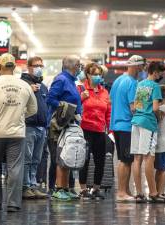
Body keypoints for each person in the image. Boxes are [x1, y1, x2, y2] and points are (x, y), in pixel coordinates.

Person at [0, 53, 37, 212]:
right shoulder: (24, 85)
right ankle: (13, 203)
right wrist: (20, 115)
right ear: (15, 66)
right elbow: (33, 109)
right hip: (17, 134)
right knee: (15, 169)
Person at [109, 55, 145, 202]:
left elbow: (112, 100)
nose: (142, 69)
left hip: (116, 125)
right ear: (136, 66)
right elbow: (133, 108)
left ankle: (126, 190)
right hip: (126, 126)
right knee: (125, 160)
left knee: (125, 159)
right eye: (141, 66)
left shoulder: (118, 80)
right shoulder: (133, 83)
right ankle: (122, 192)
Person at [47, 55, 82, 201]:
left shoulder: (72, 81)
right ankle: (58, 189)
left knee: (67, 156)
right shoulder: (61, 79)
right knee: (60, 157)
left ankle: (66, 188)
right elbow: (50, 98)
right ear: (73, 66)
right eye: (79, 65)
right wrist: (67, 109)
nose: (81, 67)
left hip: (70, 125)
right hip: (58, 126)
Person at [130, 61, 165, 203]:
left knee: (136, 159)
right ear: (155, 72)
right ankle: (153, 192)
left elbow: (135, 107)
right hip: (148, 124)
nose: (160, 76)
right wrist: (159, 116)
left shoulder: (140, 84)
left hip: (136, 121)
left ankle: (139, 193)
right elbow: (156, 108)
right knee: (149, 157)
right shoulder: (155, 86)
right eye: (160, 73)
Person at [78, 62, 111, 200]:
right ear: (88, 75)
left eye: (99, 74)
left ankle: (96, 188)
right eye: (94, 74)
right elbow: (74, 108)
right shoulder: (81, 89)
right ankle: (84, 189)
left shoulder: (104, 92)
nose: (97, 77)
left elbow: (108, 111)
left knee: (100, 161)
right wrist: (82, 98)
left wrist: (109, 128)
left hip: (100, 130)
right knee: (84, 161)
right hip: (85, 129)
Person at [20, 56, 49, 199]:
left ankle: (33, 184)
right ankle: (25, 186)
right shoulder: (22, 84)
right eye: (36, 65)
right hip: (28, 126)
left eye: (41, 65)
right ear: (29, 67)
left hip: (41, 127)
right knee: (26, 157)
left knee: (36, 159)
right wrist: (27, 90)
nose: (38, 68)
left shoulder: (43, 86)